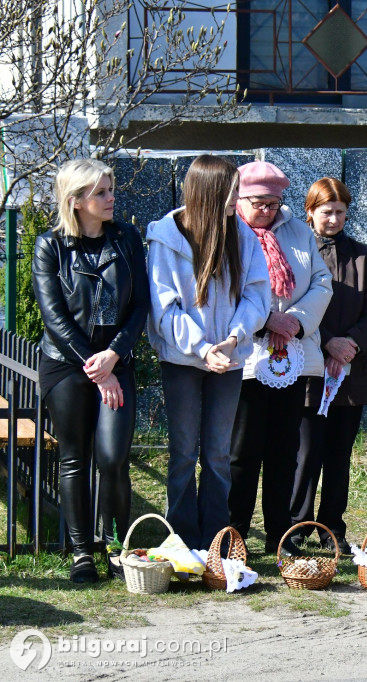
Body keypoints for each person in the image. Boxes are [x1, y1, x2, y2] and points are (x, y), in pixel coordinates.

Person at [33, 159, 149, 582]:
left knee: (113, 457)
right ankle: (82, 553)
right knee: (74, 459)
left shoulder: (127, 237)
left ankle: (117, 548)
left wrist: (113, 356)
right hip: (66, 365)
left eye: (110, 188)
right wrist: (97, 367)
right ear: (76, 200)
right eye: (101, 192)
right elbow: (55, 318)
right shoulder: (50, 246)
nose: (111, 197)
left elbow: (140, 305)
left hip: (116, 362)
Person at [147, 154, 270, 552]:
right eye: (233, 192)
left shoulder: (243, 236)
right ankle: (182, 541)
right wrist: (201, 348)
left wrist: (233, 339)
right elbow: (164, 308)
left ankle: (215, 543)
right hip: (182, 361)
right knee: (183, 452)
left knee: (218, 454)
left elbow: (257, 295)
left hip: (229, 359)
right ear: (210, 193)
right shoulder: (165, 238)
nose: (238, 199)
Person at [228, 161, 332, 555]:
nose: (267, 211)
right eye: (259, 203)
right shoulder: (229, 232)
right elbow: (224, 288)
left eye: (274, 204)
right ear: (239, 199)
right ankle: (235, 534)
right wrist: (265, 319)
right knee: (242, 451)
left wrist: (295, 321)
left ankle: (280, 535)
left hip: (292, 354)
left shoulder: (298, 232)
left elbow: (321, 282)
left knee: (283, 451)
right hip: (245, 357)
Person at [289, 178, 367, 554]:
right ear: (310, 212)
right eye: (326, 212)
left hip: (350, 370)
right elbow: (293, 304)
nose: (333, 219)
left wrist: (350, 345)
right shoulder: (297, 252)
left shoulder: (362, 256)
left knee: (339, 455)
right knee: (305, 451)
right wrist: (327, 340)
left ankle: (332, 527)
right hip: (308, 365)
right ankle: (297, 525)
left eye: (340, 212)